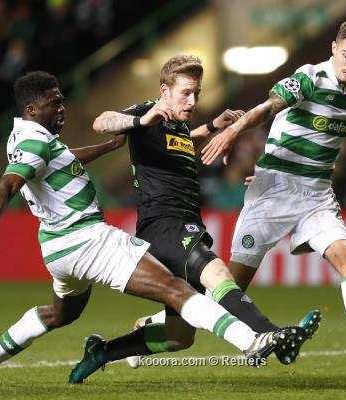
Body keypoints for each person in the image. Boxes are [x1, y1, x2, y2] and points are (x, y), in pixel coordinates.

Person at [0, 71, 306, 385]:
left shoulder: (30, 137)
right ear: (32, 109)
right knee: (177, 290)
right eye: (54, 103)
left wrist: (108, 148)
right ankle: (252, 340)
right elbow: (8, 184)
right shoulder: (37, 141)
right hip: (88, 239)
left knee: (60, 314)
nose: (62, 108)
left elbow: (63, 160)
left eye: (61, 101)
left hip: (56, 249)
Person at [74, 55, 321, 375]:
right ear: (165, 90)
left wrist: (213, 127)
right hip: (163, 225)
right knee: (217, 272)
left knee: (179, 337)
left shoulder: (175, 124)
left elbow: (179, 143)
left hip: (185, 222)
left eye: (197, 93)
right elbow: (102, 121)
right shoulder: (147, 112)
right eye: (186, 93)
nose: (192, 101)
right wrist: (140, 120)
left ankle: (102, 352)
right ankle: (269, 333)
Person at [200, 19, 346, 376]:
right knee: (228, 291)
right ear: (333, 48)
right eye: (345, 56)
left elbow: (315, 139)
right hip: (274, 193)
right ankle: (161, 322)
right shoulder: (310, 78)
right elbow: (269, 107)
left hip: (316, 194)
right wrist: (234, 132)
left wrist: (284, 164)